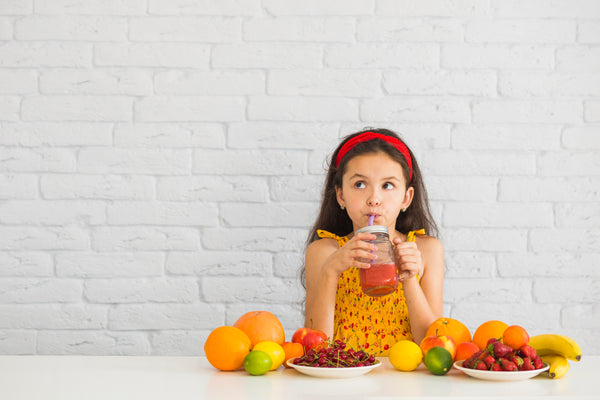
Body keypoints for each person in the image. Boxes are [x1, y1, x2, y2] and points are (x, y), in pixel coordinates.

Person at [302, 128, 444, 356]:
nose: (374, 199)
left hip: (406, 382)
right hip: (344, 378)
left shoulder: (426, 250)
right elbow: (316, 349)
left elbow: (434, 346)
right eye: (359, 184)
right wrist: (331, 270)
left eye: (387, 185)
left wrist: (409, 278)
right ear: (340, 195)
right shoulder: (324, 251)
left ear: (406, 198)